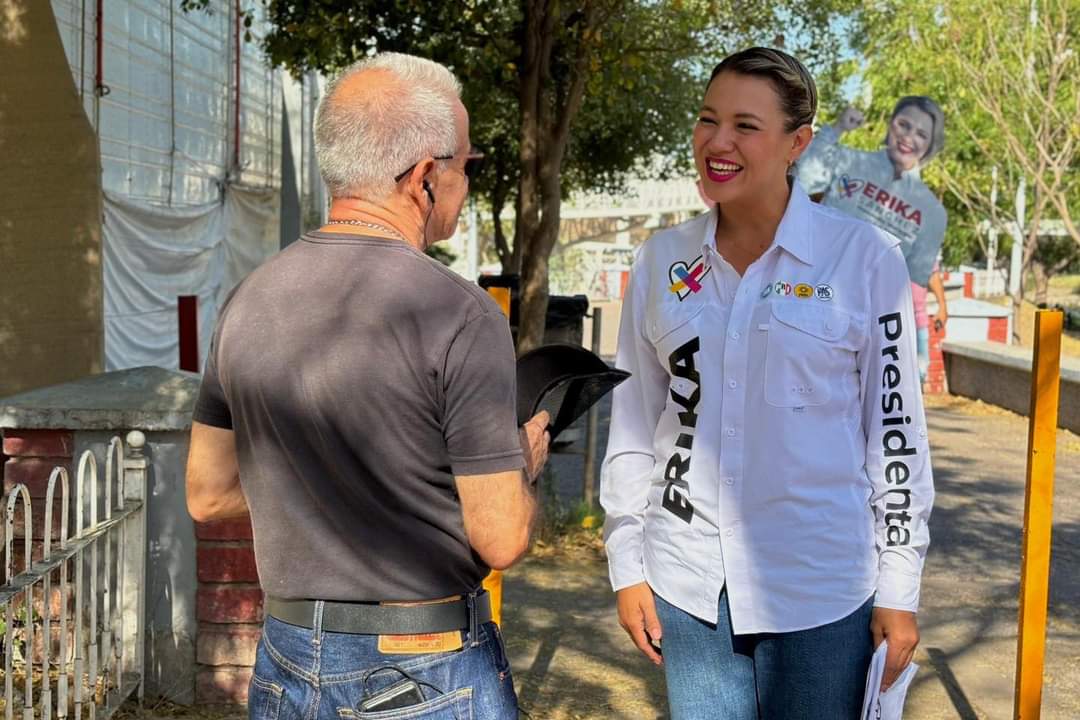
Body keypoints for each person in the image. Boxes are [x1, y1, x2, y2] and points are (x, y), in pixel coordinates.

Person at [185, 52, 550, 720]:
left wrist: (324, 489)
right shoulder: (458, 311)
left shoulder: (245, 301)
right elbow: (501, 539)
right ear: (424, 176)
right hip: (424, 665)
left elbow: (206, 495)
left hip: (288, 655)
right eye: (467, 166)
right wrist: (520, 469)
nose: (467, 185)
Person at [600, 47, 934, 719]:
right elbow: (635, 421)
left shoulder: (865, 261)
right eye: (706, 120)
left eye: (745, 126)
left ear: (798, 144)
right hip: (689, 589)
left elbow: (895, 436)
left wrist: (900, 586)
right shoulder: (663, 261)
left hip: (822, 594)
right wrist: (626, 562)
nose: (717, 143)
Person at [797, 98, 950, 386]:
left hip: (874, 339)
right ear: (890, 124)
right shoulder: (849, 162)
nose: (908, 137)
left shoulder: (932, 213)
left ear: (930, 145)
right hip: (814, 313)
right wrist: (837, 129)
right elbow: (802, 181)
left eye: (921, 134)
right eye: (904, 125)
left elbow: (913, 293)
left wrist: (917, 356)